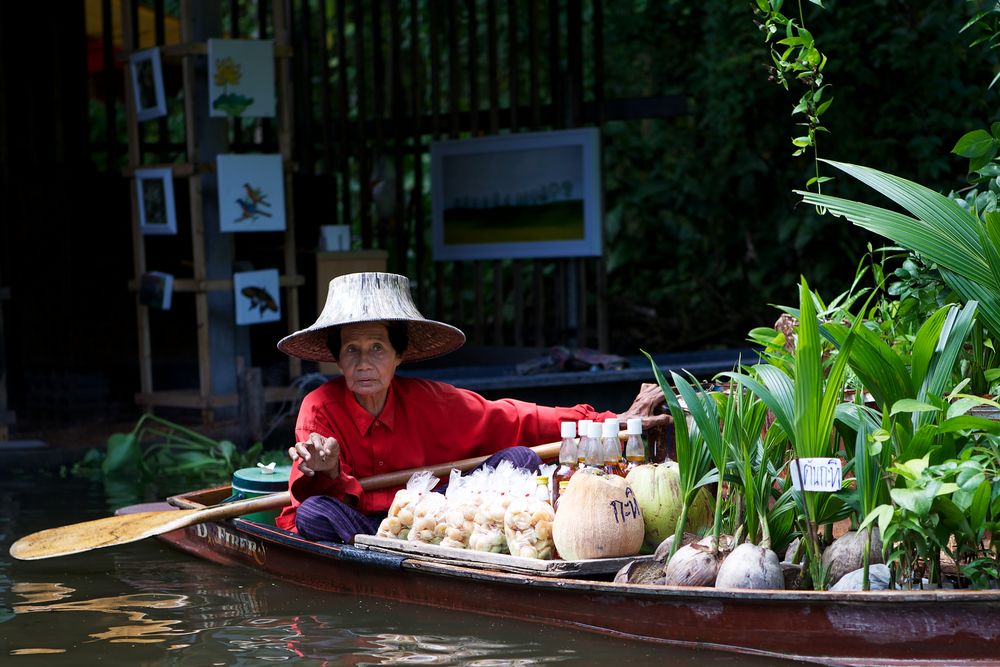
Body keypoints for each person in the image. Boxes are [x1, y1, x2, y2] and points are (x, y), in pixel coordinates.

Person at [275, 272, 668, 543]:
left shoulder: (431, 400)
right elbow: (306, 498)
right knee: (314, 517)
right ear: (338, 360)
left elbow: (518, 418)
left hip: (429, 519)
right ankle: (380, 553)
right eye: (351, 350)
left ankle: (421, 547)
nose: (364, 362)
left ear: (399, 356)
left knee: (520, 458)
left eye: (377, 348)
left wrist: (612, 422)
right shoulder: (320, 407)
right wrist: (326, 470)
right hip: (358, 526)